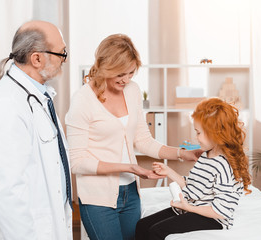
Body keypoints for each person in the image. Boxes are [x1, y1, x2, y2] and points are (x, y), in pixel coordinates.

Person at [65, 33, 202, 240]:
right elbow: (77, 162)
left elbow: (143, 140)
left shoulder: (132, 91)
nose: (126, 79)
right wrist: (130, 167)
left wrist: (183, 154)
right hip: (97, 198)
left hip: (130, 193)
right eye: (120, 74)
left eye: (131, 73)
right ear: (105, 67)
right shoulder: (83, 100)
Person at [0, 20, 73, 239]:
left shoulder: (37, 97)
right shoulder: (8, 105)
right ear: (37, 58)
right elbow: (9, 191)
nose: (64, 60)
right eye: (61, 54)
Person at [135, 97, 252, 240]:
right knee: (142, 225)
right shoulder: (205, 155)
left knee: (156, 232)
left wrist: (188, 208)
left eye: (198, 133)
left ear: (216, 134)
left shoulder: (223, 165)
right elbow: (193, 186)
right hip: (191, 209)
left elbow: (222, 211)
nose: (196, 138)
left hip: (211, 218)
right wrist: (169, 171)